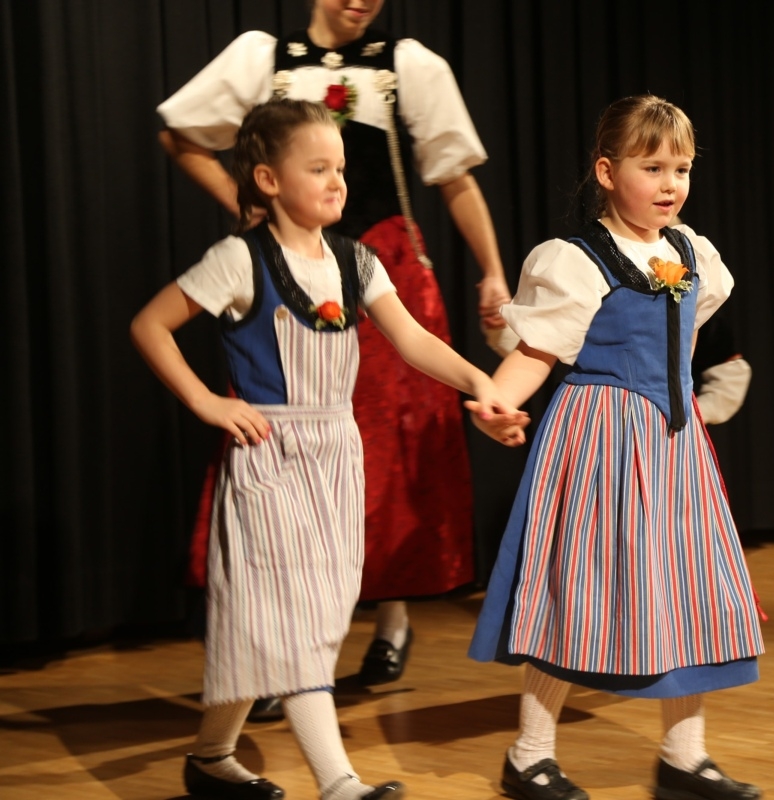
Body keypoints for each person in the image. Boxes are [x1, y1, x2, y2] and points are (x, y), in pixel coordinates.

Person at [131, 99, 525, 800]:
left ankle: (210, 757)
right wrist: (207, 401)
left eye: (339, 167)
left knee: (305, 614)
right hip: (271, 455)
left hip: (337, 455)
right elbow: (151, 325)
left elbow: (412, 339)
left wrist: (481, 383)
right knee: (291, 618)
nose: (337, 181)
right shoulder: (240, 259)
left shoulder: (356, 260)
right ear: (268, 180)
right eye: (317, 168)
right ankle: (338, 783)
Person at [156, 0, 512, 696]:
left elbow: (455, 178)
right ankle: (269, 657)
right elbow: (182, 134)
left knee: (390, 449)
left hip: (381, 261)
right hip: (292, 265)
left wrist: (493, 272)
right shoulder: (266, 58)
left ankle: (388, 619)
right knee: (286, 437)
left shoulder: (406, 65)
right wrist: (247, 205)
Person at [467, 95, 764, 800]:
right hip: (601, 440)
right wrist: (499, 401)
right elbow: (537, 351)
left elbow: (684, 335)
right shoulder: (578, 260)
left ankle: (684, 757)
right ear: (606, 172)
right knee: (580, 590)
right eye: (651, 167)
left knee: (685, 587)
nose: (670, 184)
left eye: (681, 169)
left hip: (673, 446)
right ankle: (529, 755)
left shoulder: (690, 252)